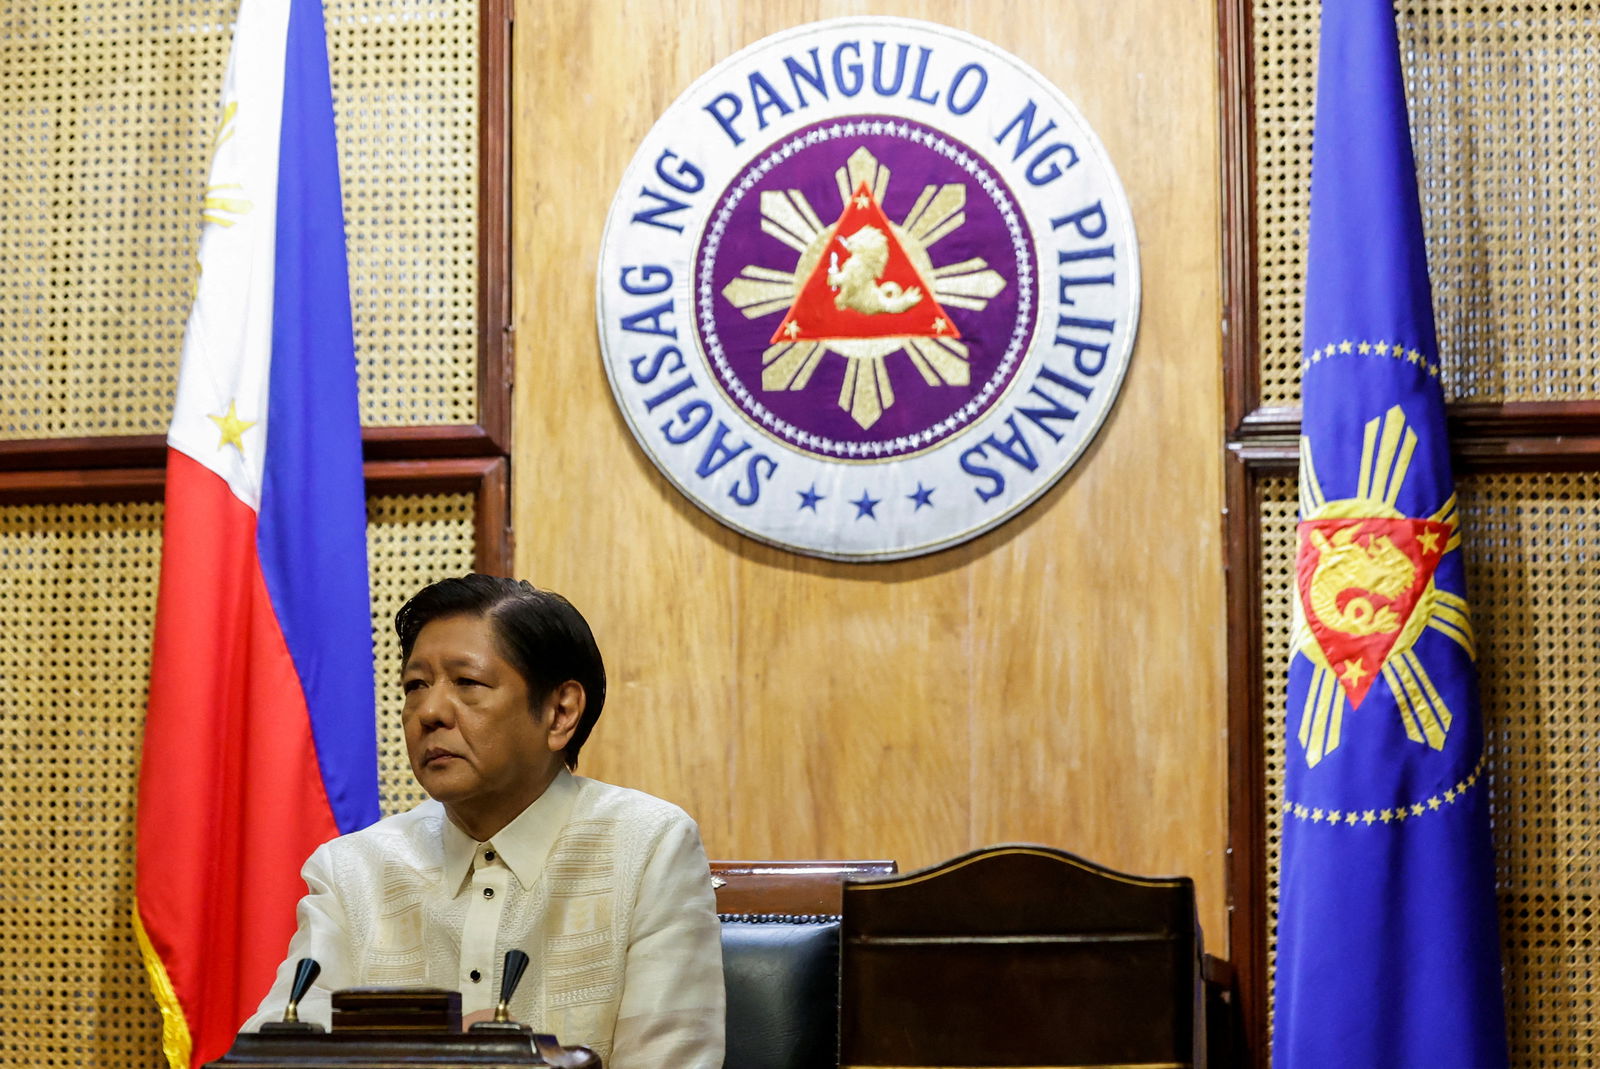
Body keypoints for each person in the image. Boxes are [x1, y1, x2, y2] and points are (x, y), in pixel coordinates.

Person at [244, 575, 725, 1067]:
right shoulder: (352, 870)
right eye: (415, 686)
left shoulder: (649, 847)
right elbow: (278, 1053)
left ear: (560, 713)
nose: (429, 711)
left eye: (467, 683)